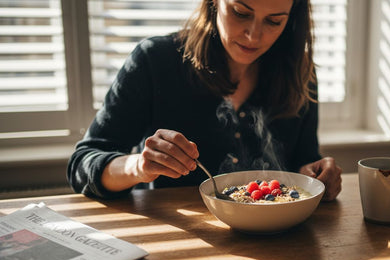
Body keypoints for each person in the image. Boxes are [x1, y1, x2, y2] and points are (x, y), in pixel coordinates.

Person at [67, 0, 342, 201]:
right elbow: (82, 164)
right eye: (240, 12)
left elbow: (303, 164)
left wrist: (315, 173)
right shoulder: (155, 61)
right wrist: (138, 166)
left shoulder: (300, 74)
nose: (253, 35)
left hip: (282, 246)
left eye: (274, 21)